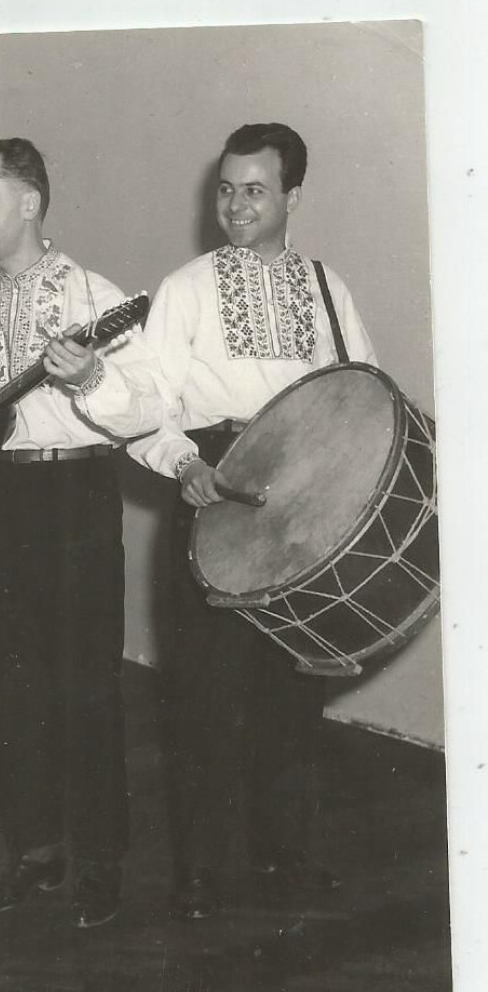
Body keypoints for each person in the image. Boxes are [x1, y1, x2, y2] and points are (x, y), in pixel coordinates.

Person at [0, 139, 165, 929]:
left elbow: (149, 406)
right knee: (5, 684)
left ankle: (98, 860)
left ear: (29, 202)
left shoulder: (97, 295)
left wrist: (89, 375)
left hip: (72, 497)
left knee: (84, 683)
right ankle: (34, 849)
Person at [127, 123, 375, 920]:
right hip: (214, 488)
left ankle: (285, 855)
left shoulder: (330, 289)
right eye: (226, 189)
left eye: (255, 190)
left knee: (290, 689)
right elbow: (143, 408)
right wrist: (185, 466)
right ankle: (200, 873)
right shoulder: (187, 287)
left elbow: (360, 393)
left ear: (292, 196)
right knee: (204, 692)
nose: (234, 205)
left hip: (303, 503)